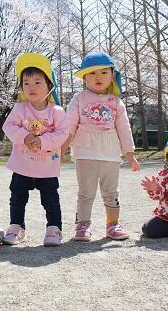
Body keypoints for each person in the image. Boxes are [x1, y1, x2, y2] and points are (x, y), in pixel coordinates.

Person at [63, 51, 140, 242]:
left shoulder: (116, 102)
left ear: (112, 75)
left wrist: (129, 154)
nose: (98, 77)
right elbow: (69, 123)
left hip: (110, 152)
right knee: (86, 192)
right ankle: (82, 225)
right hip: (85, 151)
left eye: (103, 73)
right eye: (92, 73)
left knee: (111, 192)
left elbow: (124, 129)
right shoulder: (79, 98)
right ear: (84, 77)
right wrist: (62, 147)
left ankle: (113, 224)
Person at [2, 52, 69, 246]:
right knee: (17, 198)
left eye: (37, 82)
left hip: (47, 167)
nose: (31, 87)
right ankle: (16, 226)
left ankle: (54, 228)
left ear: (49, 86)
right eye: (26, 83)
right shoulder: (20, 108)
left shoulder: (56, 111)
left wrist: (43, 141)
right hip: (22, 165)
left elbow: (62, 133)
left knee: (50, 199)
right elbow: (9, 127)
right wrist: (25, 137)